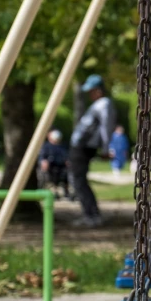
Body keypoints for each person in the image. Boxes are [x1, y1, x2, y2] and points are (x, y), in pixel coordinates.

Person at [69, 74, 115, 227]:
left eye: (91, 91)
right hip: (81, 146)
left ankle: (91, 215)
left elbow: (105, 128)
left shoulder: (104, 104)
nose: (89, 94)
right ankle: (90, 213)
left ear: (99, 90)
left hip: (84, 147)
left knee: (79, 181)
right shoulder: (98, 105)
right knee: (78, 180)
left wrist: (105, 148)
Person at [38, 129, 69, 198]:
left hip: (62, 166)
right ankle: (54, 190)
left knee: (67, 173)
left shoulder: (63, 147)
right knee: (51, 174)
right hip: (51, 167)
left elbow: (66, 157)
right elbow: (42, 157)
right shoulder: (46, 146)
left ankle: (66, 191)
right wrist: (43, 162)